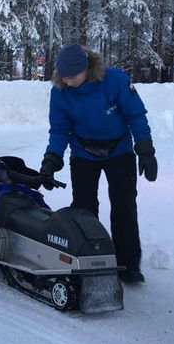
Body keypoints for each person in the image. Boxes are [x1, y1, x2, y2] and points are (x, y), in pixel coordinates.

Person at [40, 43, 158, 284]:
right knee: (84, 208)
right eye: (63, 76)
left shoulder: (114, 80)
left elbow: (135, 114)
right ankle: (86, 261)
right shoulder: (60, 91)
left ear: (86, 69)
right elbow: (60, 129)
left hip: (120, 151)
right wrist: (51, 159)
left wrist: (145, 148)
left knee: (124, 206)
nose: (68, 80)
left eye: (72, 76)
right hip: (83, 153)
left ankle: (128, 264)